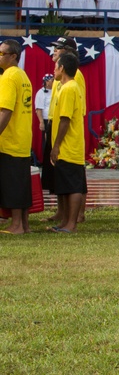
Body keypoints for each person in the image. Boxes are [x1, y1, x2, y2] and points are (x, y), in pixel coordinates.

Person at [49, 51, 86, 233]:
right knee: (64, 184)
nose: (53, 69)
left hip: (70, 144)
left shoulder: (70, 88)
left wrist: (56, 145)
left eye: (56, 66)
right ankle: (64, 221)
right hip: (67, 145)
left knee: (73, 186)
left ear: (62, 68)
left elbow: (65, 119)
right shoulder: (65, 87)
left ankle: (71, 223)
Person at [0, 40, 34, 235]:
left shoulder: (8, 76)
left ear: (13, 56)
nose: (0, 57)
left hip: (11, 138)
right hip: (22, 137)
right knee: (21, 182)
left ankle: (16, 225)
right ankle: (24, 224)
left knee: (11, 183)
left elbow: (5, 111)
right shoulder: (22, 75)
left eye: (2, 54)